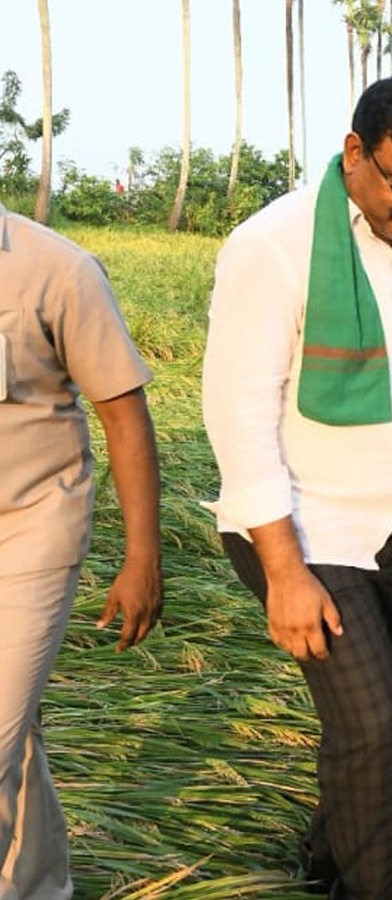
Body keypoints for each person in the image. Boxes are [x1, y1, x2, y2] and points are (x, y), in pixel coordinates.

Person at [202, 74, 392, 900]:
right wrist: (284, 573)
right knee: (374, 727)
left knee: (369, 714)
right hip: (306, 532)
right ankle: (373, 884)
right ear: (355, 152)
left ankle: (326, 853)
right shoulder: (274, 245)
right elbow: (239, 417)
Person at [0, 204, 162, 900]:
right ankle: (39, 888)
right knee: (14, 731)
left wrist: (142, 557)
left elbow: (124, 416)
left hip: (33, 531)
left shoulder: (58, 269)